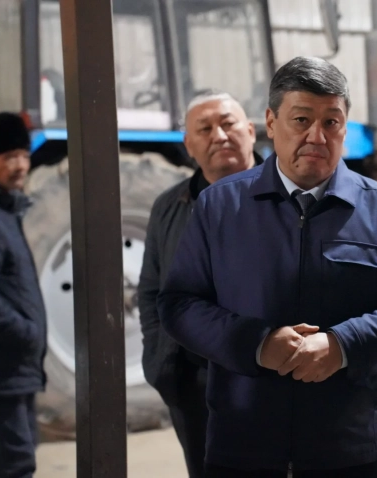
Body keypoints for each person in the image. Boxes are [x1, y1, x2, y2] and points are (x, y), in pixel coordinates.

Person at [157, 56, 377, 478]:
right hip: (243, 445)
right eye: (301, 119)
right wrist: (258, 344)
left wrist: (342, 346)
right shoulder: (220, 206)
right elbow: (179, 304)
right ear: (271, 123)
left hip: (354, 448)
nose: (316, 136)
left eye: (331, 122)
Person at [137, 90, 263, 477]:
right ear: (189, 145)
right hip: (192, 382)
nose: (219, 136)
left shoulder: (287, 197)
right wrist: (160, 361)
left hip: (265, 376)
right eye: (205, 129)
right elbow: (151, 290)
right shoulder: (169, 206)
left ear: (251, 131)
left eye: (228, 124)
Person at [0, 112, 47, 478]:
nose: (21, 165)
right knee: (13, 467)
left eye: (24, 155)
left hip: (12, 373)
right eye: (9, 157)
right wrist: (26, 333)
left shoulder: (4, 211)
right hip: (0, 377)